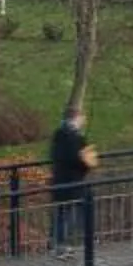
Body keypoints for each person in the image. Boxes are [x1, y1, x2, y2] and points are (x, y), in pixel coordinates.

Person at [49, 103, 97, 247]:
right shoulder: (74, 137)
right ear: (77, 118)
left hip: (60, 180)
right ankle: (81, 240)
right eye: (82, 117)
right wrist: (87, 163)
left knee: (63, 213)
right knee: (75, 212)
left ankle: (58, 243)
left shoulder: (59, 134)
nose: (84, 120)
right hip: (73, 181)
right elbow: (77, 159)